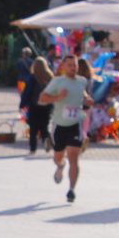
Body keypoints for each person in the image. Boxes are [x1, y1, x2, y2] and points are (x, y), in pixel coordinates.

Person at [38, 56, 87, 202]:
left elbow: (83, 94)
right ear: (63, 67)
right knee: (58, 157)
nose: (73, 68)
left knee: (73, 156)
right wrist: (58, 97)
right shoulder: (57, 82)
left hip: (75, 124)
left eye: (75, 65)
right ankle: (60, 166)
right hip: (59, 125)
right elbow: (42, 99)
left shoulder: (82, 81)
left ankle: (71, 190)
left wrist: (87, 99)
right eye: (70, 65)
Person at [20, 57, 53, 155]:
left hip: (34, 105)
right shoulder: (50, 77)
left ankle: (33, 148)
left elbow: (27, 92)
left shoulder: (32, 77)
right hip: (47, 105)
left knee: (33, 128)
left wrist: (23, 103)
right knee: (44, 127)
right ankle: (47, 142)